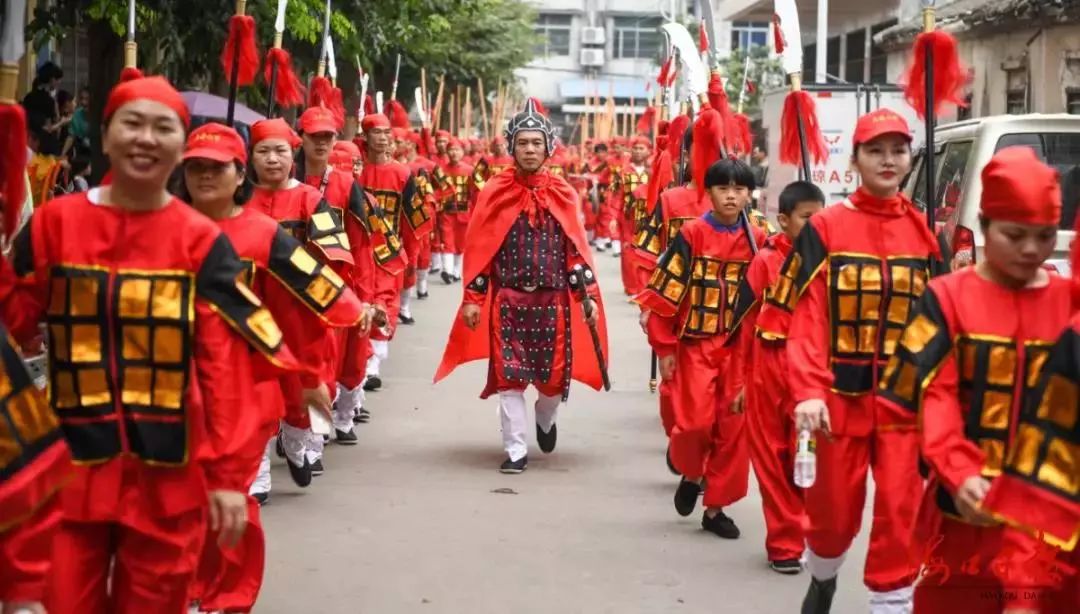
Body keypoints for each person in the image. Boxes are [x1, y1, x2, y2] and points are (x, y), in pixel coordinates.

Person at [2, 75, 295, 614]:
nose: (145, 138)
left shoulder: (201, 242)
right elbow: (15, 324)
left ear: (180, 148)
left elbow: (224, 363)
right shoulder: (52, 225)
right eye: (131, 123)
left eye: (163, 127)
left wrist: (230, 476)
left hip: (169, 472)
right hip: (71, 462)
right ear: (106, 135)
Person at [755, 109, 944, 613]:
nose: (888, 160)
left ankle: (891, 600)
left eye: (898, 150)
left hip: (905, 401)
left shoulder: (924, 232)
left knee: (902, 510)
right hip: (838, 398)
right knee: (833, 515)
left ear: (910, 158)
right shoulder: (827, 229)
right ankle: (824, 573)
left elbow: (941, 315)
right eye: (875, 151)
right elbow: (806, 315)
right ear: (855, 160)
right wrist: (809, 390)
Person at [177, 122, 364, 612]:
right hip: (166, 388)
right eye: (195, 166)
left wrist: (358, 312)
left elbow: (317, 288)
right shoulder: (163, 226)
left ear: (239, 174)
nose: (206, 176)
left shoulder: (264, 233)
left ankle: (226, 597)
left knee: (231, 497)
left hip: (241, 381)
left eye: (218, 167)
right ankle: (186, 587)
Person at [878, 147, 1071, 613]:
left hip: (1054, 510)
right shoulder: (945, 299)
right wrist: (959, 473)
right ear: (983, 226)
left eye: (1044, 236)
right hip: (968, 509)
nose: (1030, 249)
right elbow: (927, 394)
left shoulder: (1070, 302)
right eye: (1014, 234)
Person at [434, 99, 608, 474]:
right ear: (512, 147)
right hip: (508, 302)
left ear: (548, 147)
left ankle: (546, 419)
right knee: (509, 380)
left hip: (553, 303)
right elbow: (482, 251)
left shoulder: (563, 192)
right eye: (523, 143)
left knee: (551, 383)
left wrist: (587, 297)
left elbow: (576, 251)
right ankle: (515, 450)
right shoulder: (494, 191)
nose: (530, 149)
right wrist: (473, 298)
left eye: (536, 143)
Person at [635, 158, 764, 539]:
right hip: (698, 345)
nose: (731, 196)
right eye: (723, 188)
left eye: (739, 189)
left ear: (748, 194)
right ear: (709, 193)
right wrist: (665, 346)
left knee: (733, 429)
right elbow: (665, 290)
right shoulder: (692, 235)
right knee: (694, 423)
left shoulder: (760, 235)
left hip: (742, 347)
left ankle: (716, 507)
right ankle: (692, 472)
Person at [246, 117, 353, 483]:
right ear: (252, 156)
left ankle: (299, 443)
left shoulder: (311, 199)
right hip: (248, 308)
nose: (272, 159)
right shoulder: (240, 199)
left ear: (292, 154)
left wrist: (336, 304)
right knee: (254, 391)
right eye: (264, 151)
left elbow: (336, 256)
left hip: (299, 310)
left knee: (303, 389)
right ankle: (258, 473)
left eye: (279, 151)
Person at [727, 180, 824, 574]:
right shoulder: (764, 263)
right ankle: (784, 542)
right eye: (806, 219)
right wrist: (738, 383)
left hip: (814, 374)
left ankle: (805, 529)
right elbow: (742, 328)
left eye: (821, 218)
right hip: (768, 370)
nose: (816, 226)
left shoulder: (832, 264)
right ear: (783, 220)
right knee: (770, 457)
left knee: (808, 459)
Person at [296, 106, 404, 439]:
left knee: (345, 366)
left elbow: (362, 249)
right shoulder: (284, 180)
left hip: (337, 290)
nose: (321, 143)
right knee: (297, 371)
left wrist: (366, 299)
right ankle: (301, 438)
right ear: (300, 138)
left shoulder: (345, 186)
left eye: (327, 137)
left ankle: (329, 426)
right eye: (314, 137)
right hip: (290, 290)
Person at [358, 113, 434, 392]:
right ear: (365, 136)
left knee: (385, 305)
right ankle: (361, 366)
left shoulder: (403, 174)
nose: (383, 137)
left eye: (386, 131)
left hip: (389, 251)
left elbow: (413, 219)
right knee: (360, 305)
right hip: (358, 252)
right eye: (376, 132)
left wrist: (411, 254)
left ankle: (373, 364)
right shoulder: (355, 173)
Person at [610, 136, 651, 295]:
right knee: (628, 252)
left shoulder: (653, 171)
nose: (638, 151)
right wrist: (613, 217)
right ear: (631, 151)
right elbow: (616, 196)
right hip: (628, 217)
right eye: (636, 148)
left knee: (646, 252)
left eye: (642, 148)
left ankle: (644, 287)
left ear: (648, 151)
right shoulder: (623, 172)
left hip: (648, 218)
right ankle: (632, 288)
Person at [433, 138, 474, 284]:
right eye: (451, 150)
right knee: (447, 240)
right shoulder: (440, 171)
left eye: (457, 150)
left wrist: (472, 208)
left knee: (461, 243)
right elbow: (435, 190)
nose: (454, 153)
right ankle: (447, 271)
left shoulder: (470, 170)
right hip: (446, 211)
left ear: (462, 152)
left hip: (464, 211)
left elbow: (473, 192)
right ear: (447, 152)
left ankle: (457, 271)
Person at [21, 62, 63, 157]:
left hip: (28, 142)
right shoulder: (49, 101)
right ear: (52, 80)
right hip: (44, 147)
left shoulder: (28, 97)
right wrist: (62, 122)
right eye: (58, 81)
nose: (58, 84)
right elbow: (49, 128)